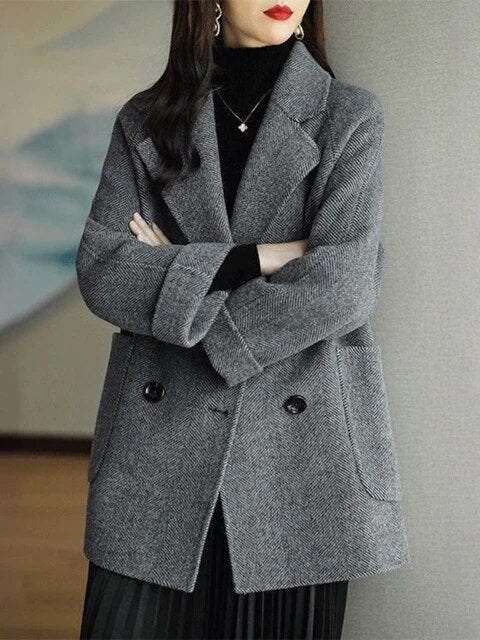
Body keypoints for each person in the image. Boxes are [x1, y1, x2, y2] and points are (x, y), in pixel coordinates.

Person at [77, 1, 409, 638]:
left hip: (299, 459)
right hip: (158, 454)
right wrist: (264, 257)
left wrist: (180, 276)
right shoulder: (145, 121)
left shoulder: (348, 116)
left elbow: (343, 287)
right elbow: (103, 271)